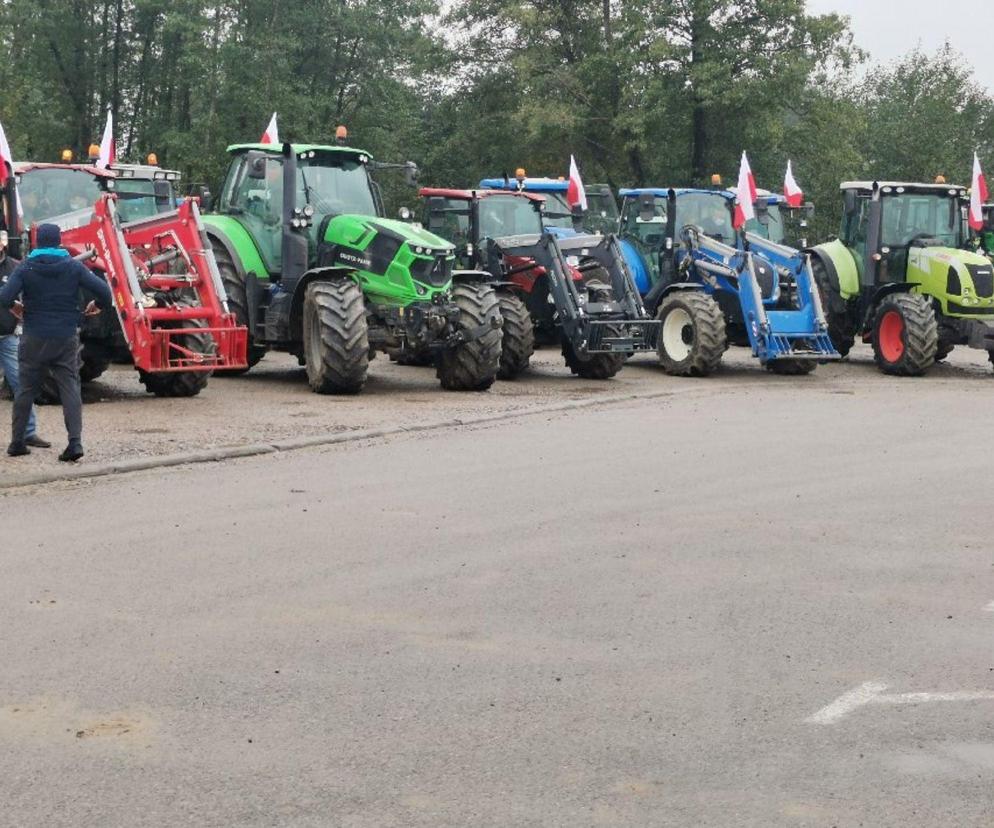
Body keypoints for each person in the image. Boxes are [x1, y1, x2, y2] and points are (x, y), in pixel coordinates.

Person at [0, 223, 112, 461]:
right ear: (59, 242)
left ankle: (17, 443)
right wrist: (97, 306)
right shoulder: (74, 267)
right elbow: (105, 292)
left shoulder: (25, 267)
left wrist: (15, 307)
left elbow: (5, 296)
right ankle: (74, 444)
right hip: (65, 337)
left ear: (37, 242)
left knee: (26, 389)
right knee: (70, 387)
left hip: (33, 338)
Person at [0, 232, 50, 450]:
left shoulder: (15, 268)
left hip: (8, 336)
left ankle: (28, 432)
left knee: (22, 383)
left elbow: (27, 295)